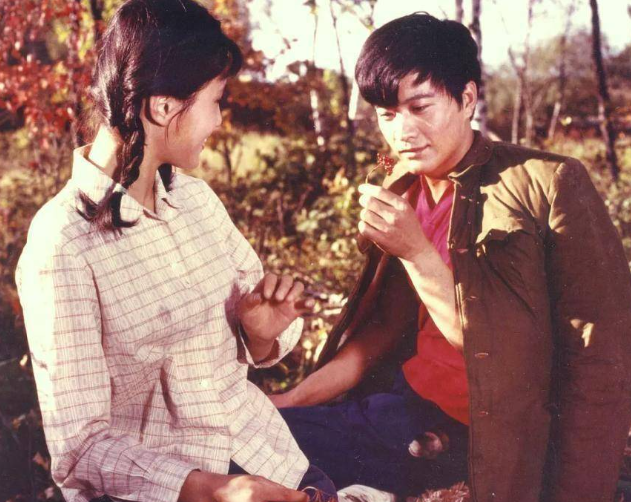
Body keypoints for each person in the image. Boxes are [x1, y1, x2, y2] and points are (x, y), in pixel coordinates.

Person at [271, 12, 631, 502]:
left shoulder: (550, 184)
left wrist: (580, 491)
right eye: (387, 114)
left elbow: (598, 358)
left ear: (466, 99)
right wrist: (289, 401)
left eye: (420, 107)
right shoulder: (405, 187)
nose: (403, 132)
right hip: (404, 407)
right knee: (251, 441)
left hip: (486, 437)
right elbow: (384, 330)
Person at [14, 1, 337, 501]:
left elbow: (266, 342)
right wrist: (213, 490)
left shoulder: (196, 200)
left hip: (268, 457)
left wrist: (259, 333)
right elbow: (81, 449)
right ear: (163, 108)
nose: (220, 120)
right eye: (216, 100)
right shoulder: (62, 245)